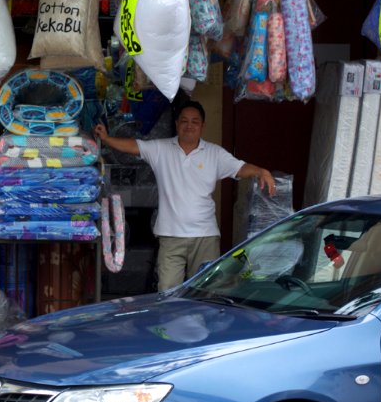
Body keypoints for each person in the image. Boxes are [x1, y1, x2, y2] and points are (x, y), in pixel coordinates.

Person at [94, 100, 276, 291]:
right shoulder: (161, 149)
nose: (189, 126)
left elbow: (239, 168)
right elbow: (133, 146)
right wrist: (106, 139)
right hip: (171, 237)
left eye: (195, 122)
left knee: (206, 293)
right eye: (184, 121)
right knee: (168, 291)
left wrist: (261, 171)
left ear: (202, 126)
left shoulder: (214, 153)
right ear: (177, 124)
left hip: (205, 237)